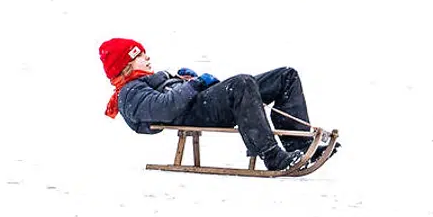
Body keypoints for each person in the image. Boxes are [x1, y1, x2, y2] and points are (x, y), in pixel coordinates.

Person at [99, 37, 316, 172]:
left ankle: (300, 146)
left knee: (285, 76)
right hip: (195, 113)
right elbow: (164, 108)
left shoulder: (150, 80)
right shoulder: (129, 93)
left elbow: (169, 95)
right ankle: (273, 156)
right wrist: (194, 85)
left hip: (201, 104)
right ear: (125, 66)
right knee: (242, 83)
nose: (147, 58)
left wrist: (183, 80)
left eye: (145, 53)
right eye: (139, 56)